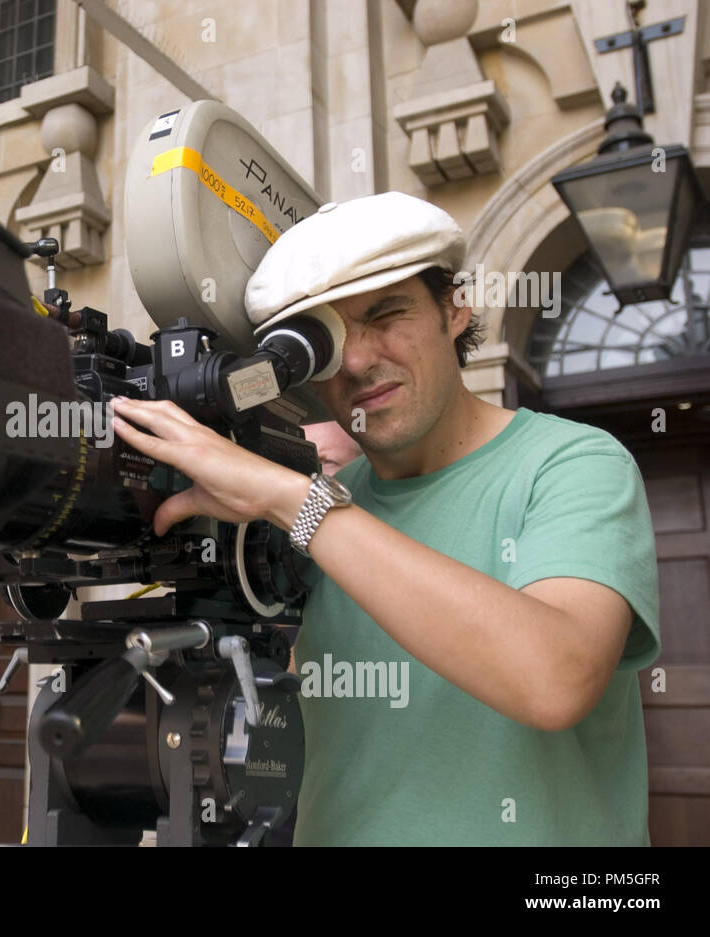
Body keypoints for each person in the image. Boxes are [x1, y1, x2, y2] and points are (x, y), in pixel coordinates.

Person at [107, 192, 660, 846]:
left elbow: (556, 678)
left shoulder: (573, 463)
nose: (361, 359)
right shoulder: (304, 509)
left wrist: (293, 500)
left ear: (456, 307)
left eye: (387, 313)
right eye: (325, 338)